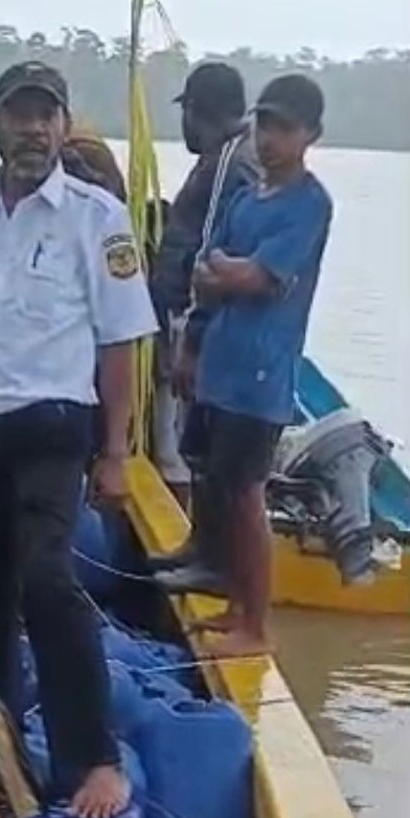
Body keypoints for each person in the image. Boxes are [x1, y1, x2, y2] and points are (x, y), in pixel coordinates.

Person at [0, 62, 158, 818]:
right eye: (19, 115)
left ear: (64, 123)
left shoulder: (96, 216)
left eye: (47, 115)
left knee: (49, 578)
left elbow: (121, 341)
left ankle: (93, 756)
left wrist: (115, 451)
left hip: (53, 431)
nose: (34, 129)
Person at [182, 74, 332, 658]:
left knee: (247, 497)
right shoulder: (247, 196)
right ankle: (234, 607)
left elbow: (254, 277)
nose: (269, 139)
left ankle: (256, 627)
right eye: (264, 124)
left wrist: (228, 273)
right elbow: (205, 267)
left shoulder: (310, 203)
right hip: (221, 363)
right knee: (219, 487)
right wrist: (224, 278)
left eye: (284, 128)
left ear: (311, 135)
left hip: (262, 375)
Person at [149, 62, 258, 586]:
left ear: (199, 111)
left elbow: (211, 251)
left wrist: (191, 334)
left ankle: (215, 561)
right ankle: (201, 545)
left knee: (209, 448)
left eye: (187, 112)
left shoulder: (227, 165)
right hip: (206, 321)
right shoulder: (234, 158)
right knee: (197, 444)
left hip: (203, 322)